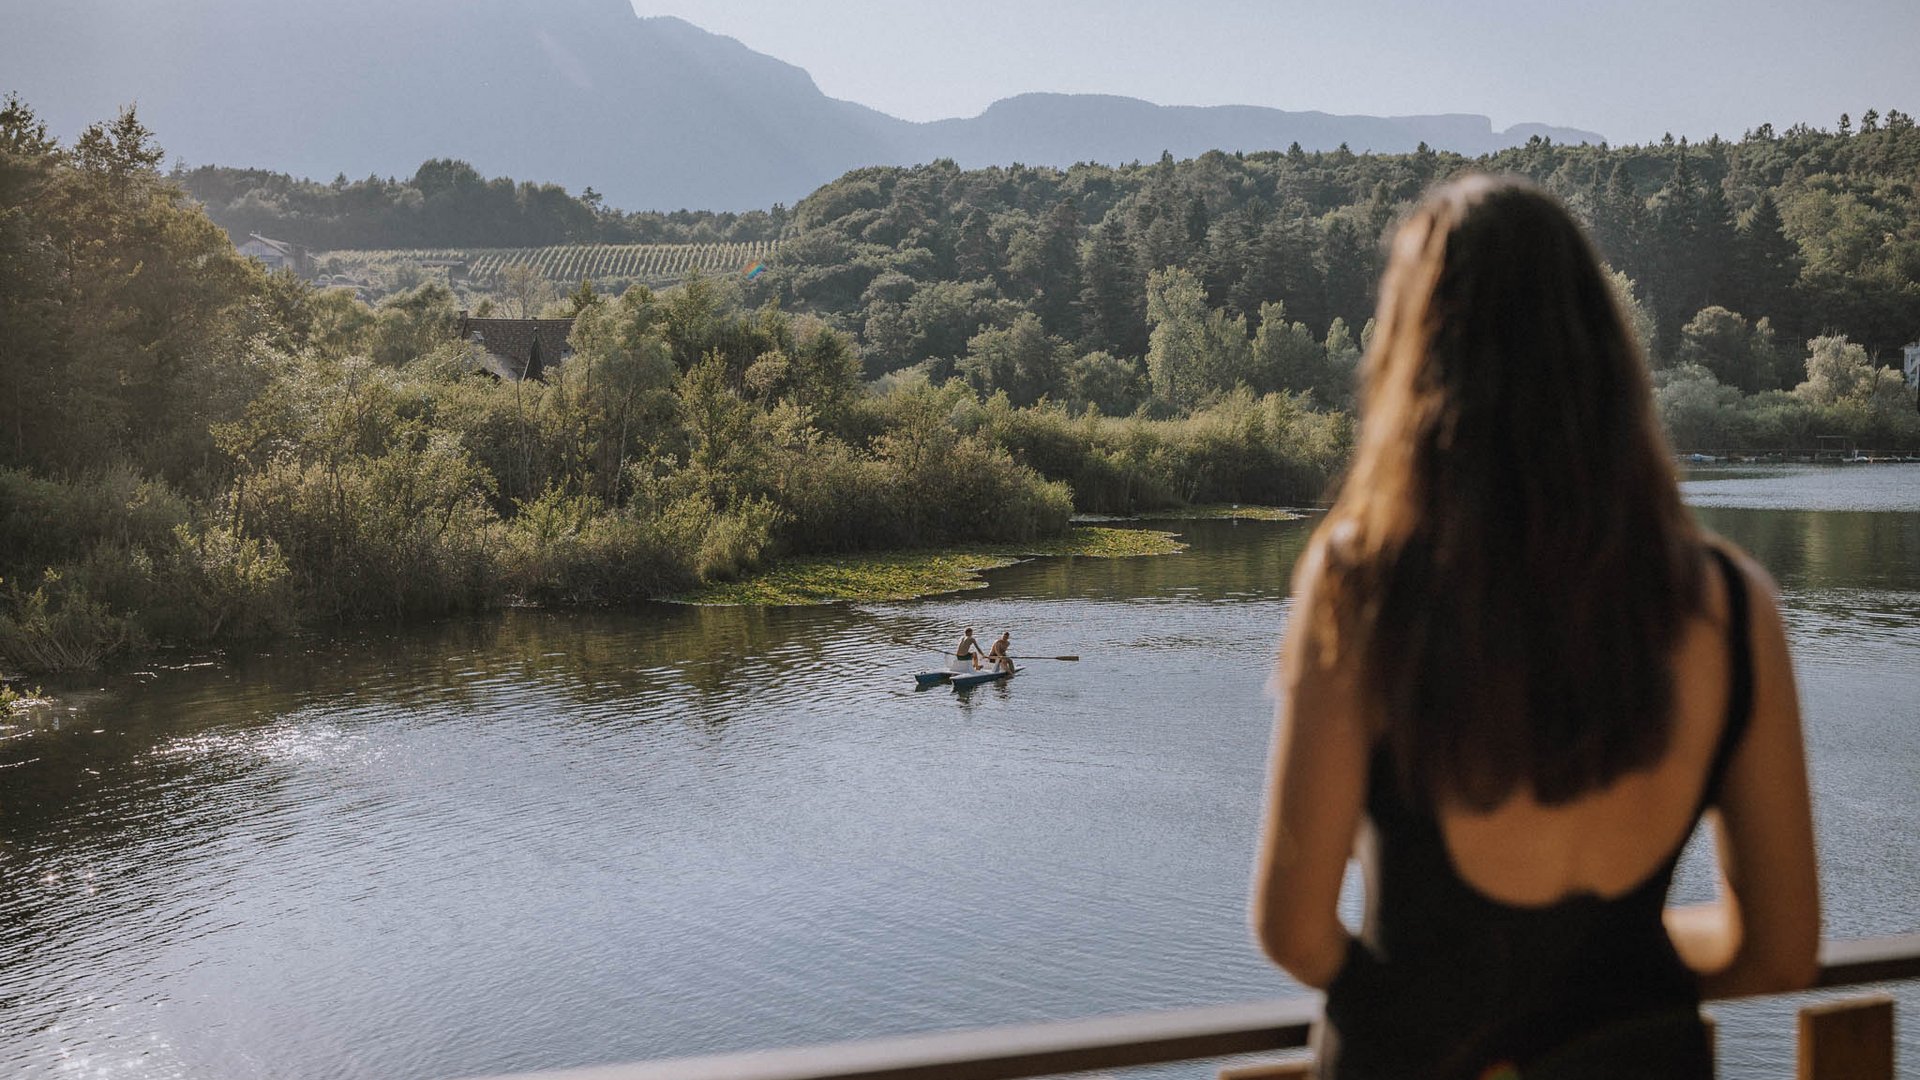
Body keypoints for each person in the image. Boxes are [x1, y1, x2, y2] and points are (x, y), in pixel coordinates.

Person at [1251, 175, 1818, 1080]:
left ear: (1413, 355)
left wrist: (1418, 994)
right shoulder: (1732, 605)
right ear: (1604, 354)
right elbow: (1780, 950)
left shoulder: (1361, 582)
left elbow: (1293, 931)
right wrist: (1614, 975)